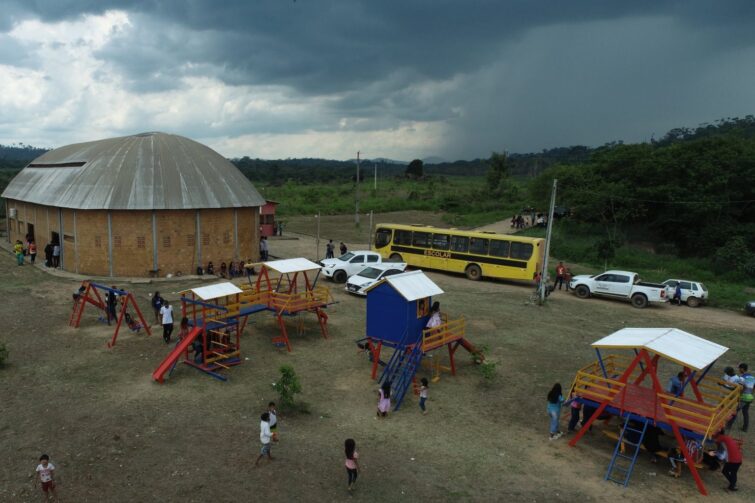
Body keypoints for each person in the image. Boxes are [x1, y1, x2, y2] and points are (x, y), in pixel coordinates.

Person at [727, 363, 754, 432]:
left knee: (735, 410)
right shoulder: (752, 377)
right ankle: (745, 428)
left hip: (743, 397)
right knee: (745, 412)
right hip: (750, 397)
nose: (739, 370)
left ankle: (728, 425)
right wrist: (751, 394)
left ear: (742, 369)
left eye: (739, 368)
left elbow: (741, 387)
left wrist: (739, 395)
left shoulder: (742, 377)